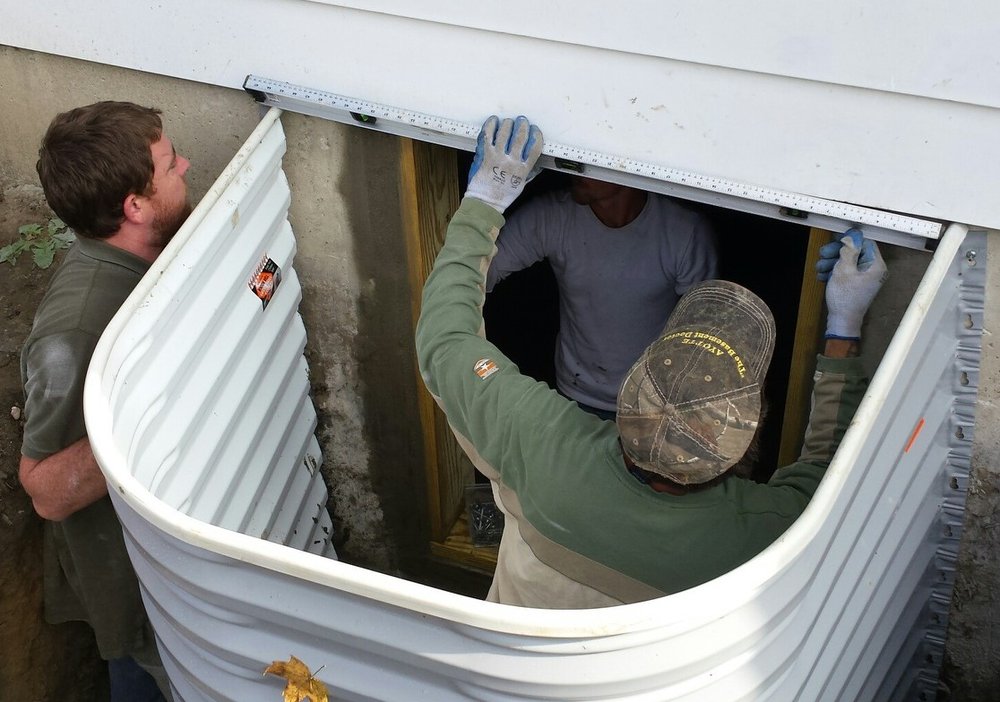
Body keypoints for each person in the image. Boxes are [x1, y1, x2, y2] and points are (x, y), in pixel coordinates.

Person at [416, 115, 887, 608]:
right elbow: (827, 476)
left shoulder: (538, 447)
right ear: (746, 442)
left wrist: (483, 201)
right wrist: (844, 326)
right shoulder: (763, 540)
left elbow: (446, 339)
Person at [19, 101, 190, 700]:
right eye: (170, 163)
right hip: (136, 590)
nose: (185, 166)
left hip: (166, 568)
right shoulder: (76, 332)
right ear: (135, 206)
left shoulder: (147, 254)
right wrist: (159, 407)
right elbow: (46, 490)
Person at [485, 171, 718, 420]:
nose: (577, 169)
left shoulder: (683, 231)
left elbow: (704, 331)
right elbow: (481, 270)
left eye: (594, 162)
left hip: (654, 405)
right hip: (575, 396)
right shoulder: (554, 216)